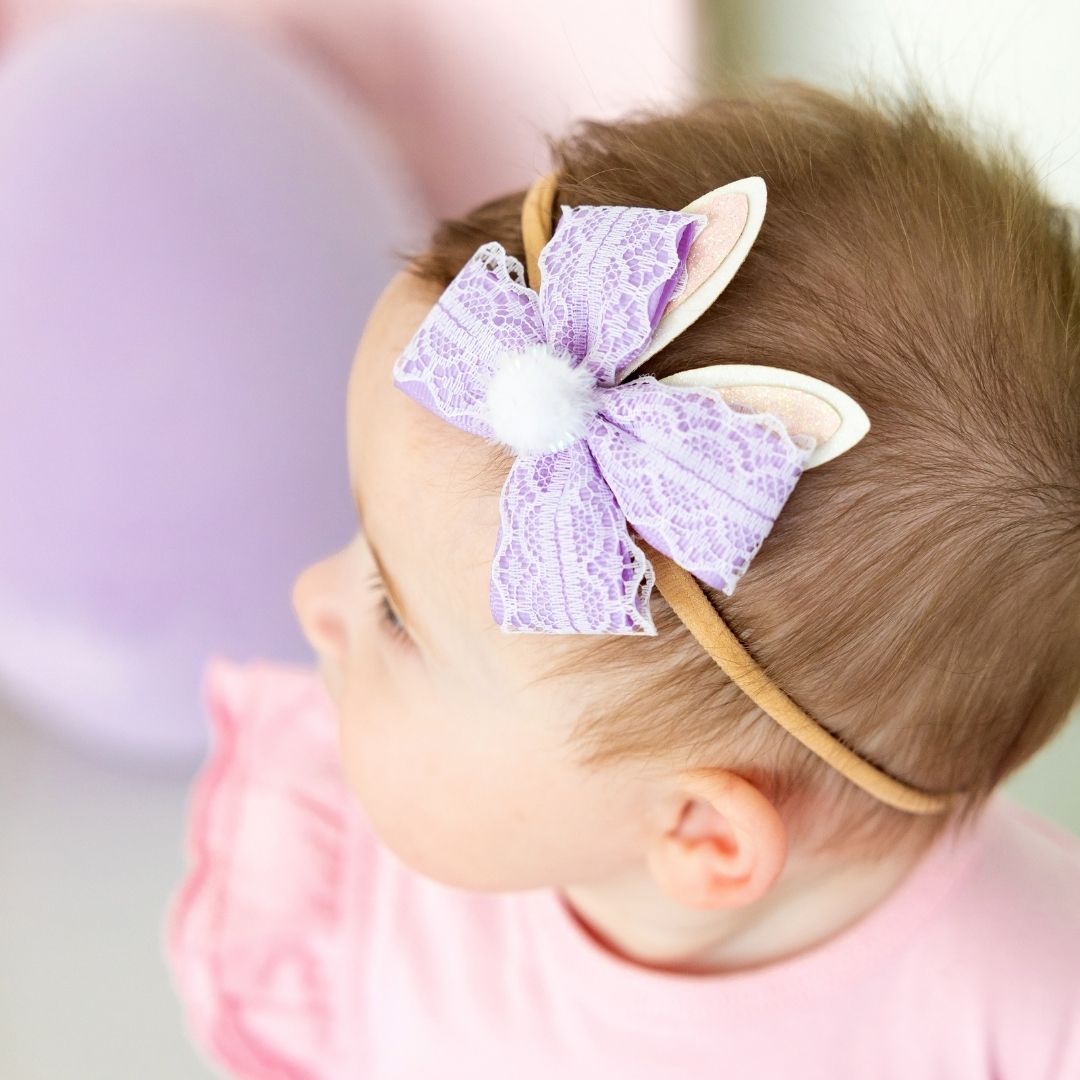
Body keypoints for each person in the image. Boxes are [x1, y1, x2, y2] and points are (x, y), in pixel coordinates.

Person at [167, 80, 1080, 1078]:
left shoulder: (1035, 1009)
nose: (310, 597)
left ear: (697, 832)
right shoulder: (363, 923)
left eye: (395, 612)